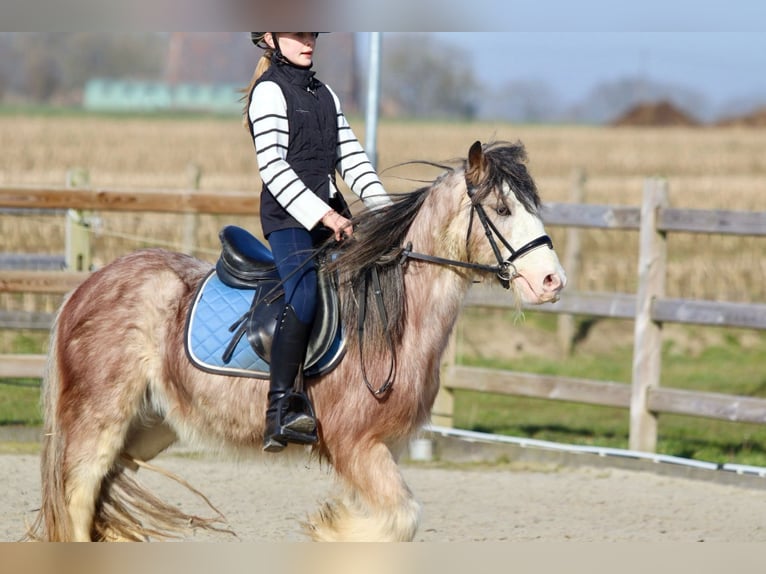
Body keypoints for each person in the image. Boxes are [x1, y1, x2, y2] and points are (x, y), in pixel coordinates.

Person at [244, 32, 391, 452]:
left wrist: (389, 214)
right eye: (297, 34)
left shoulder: (324, 93)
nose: (308, 41)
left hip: (329, 217)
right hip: (289, 220)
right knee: (304, 296)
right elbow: (272, 167)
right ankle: (280, 409)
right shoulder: (269, 92)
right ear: (270, 38)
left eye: (311, 34)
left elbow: (352, 159)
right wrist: (323, 214)